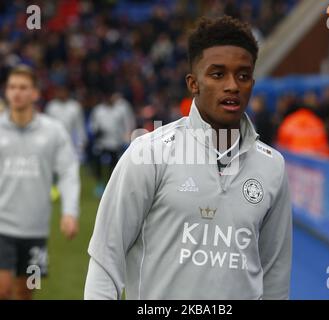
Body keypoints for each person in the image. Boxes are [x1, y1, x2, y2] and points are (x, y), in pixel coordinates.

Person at [85, 16, 292, 300]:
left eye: (243, 76)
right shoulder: (149, 152)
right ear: (193, 83)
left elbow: (276, 276)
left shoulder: (272, 167)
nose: (232, 85)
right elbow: (105, 258)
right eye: (218, 74)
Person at [0, 65, 80, 300]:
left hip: (35, 230)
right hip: (2, 227)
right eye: (12, 87)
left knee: (25, 294)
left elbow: (67, 172)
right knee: (3, 290)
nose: (17, 92)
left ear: (35, 93)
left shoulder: (53, 132)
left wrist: (69, 212)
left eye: (23, 88)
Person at [89, 92, 135, 197]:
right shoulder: (98, 110)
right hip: (101, 143)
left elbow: (126, 125)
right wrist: (96, 131)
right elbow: (93, 125)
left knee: (114, 166)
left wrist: (126, 139)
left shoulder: (119, 111)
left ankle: (111, 186)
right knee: (98, 165)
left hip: (115, 143)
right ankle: (100, 184)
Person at [45, 84, 87, 160]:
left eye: (63, 91)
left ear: (67, 92)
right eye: (59, 91)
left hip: (71, 142)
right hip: (55, 141)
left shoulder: (75, 106)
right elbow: (47, 127)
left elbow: (79, 126)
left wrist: (82, 141)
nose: (61, 93)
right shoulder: (51, 106)